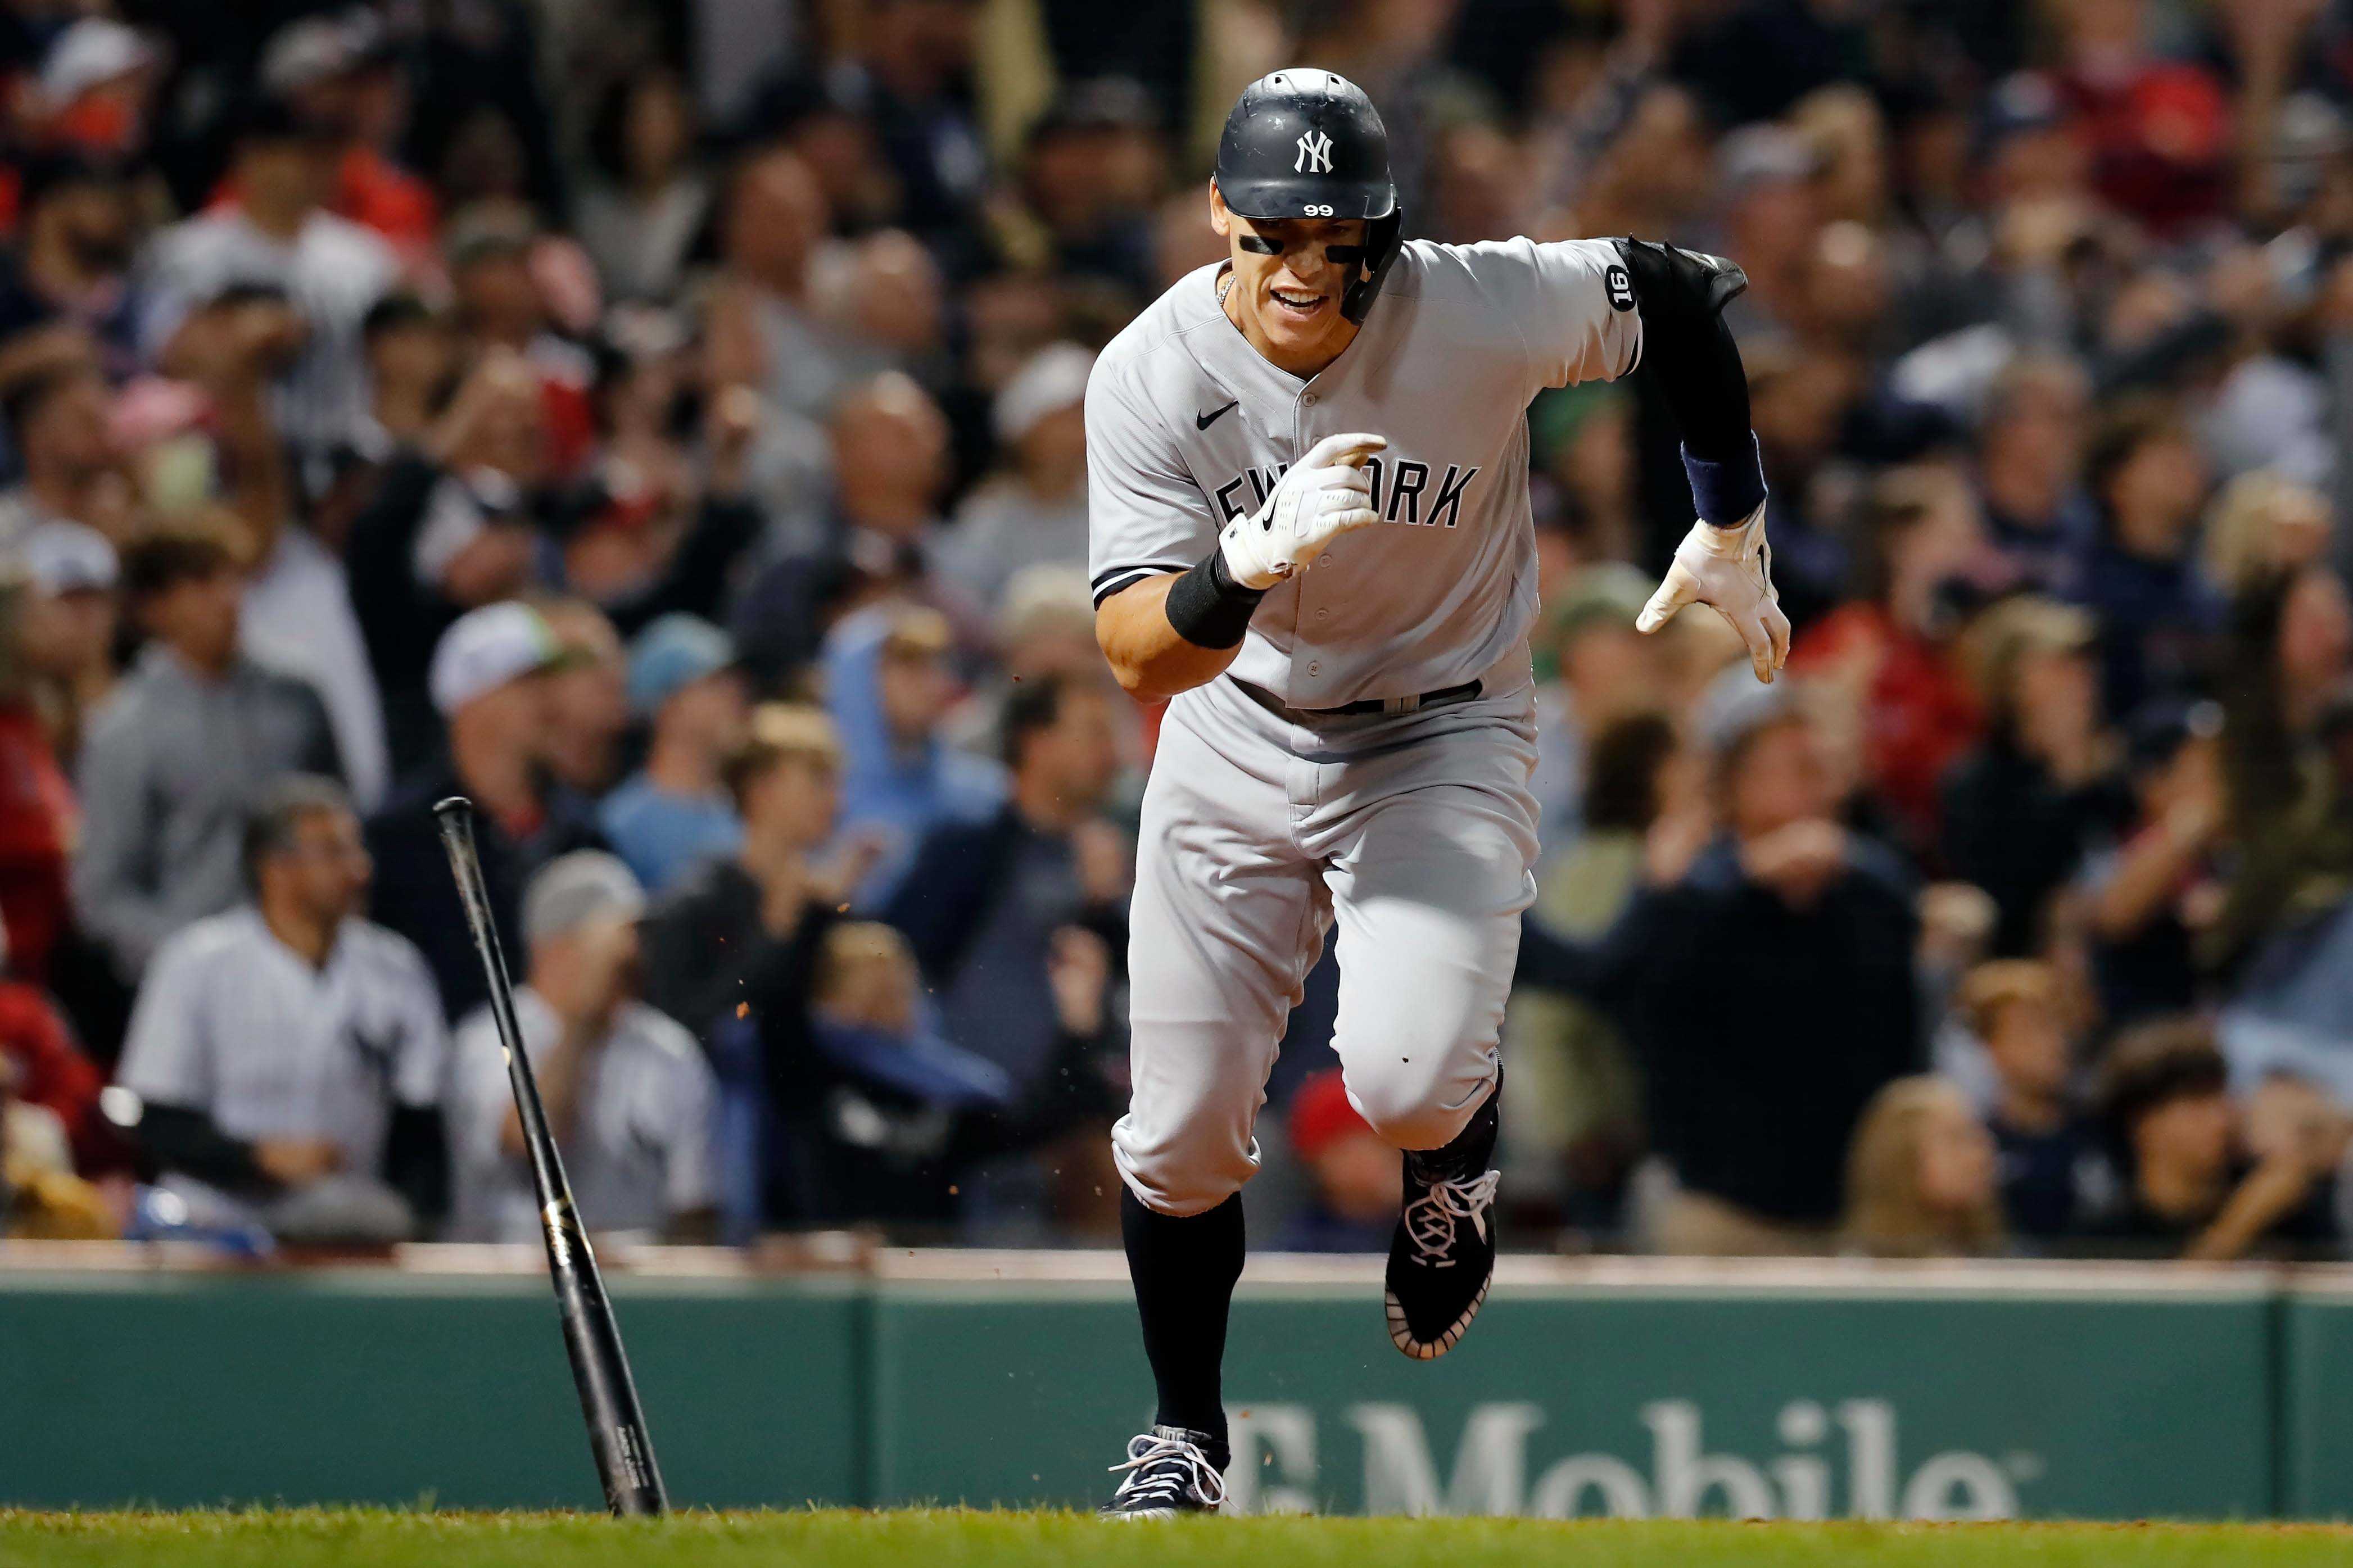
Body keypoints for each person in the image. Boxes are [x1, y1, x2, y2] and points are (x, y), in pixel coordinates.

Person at [1083, 71, 1787, 1514]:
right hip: (1236, 725)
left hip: (1442, 729)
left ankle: (1452, 1156)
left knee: (1404, 1080)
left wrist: (1729, 516)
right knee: (1178, 1129)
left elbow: (1683, 288)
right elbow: (1133, 649)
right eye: (1277, 230)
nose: (1307, 264)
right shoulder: (1150, 371)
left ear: (1383, 234)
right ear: (1222, 214)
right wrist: (1243, 564)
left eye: (1343, 235)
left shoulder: (1470, 303)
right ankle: (1184, 1433)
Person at [1521, 682, 1921, 1256]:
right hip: (1716, 1207)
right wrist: (1732, 882)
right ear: (1736, 786)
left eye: (1825, 770)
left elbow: (1900, 1034)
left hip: (1847, 1213)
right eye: (1798, 769)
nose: (1818, 790)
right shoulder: (1691, 890)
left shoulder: (1871, 888)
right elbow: (1620, 989)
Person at [114, 777, 449, 1243]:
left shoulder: (396, 968)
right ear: (277, 868)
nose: (359, 870)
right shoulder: (197, 961)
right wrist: (259, 1158)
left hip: (345, 1222)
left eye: (356, 850)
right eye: (333, 852)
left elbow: (421, 1116)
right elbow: (158, 1117)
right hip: (213, 1222)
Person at [72, 523, 341, 984]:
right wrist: (183, 962)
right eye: (201, 584)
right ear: (155, 610)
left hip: (320, 955)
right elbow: (104, 893)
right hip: (197, 974)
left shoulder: (297, 694)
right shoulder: (122, 728)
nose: (227, 597)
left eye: (232, 578)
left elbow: (342, 816)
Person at [449, 851, 717, 1244]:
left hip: (638, 1284)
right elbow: (526, 1145)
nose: (635, 954)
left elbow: (695, 1207)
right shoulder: (489, 1037)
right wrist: (579, 1025)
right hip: (511, 1282)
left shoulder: (671, 1051)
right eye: (621, 937)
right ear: (557, 947)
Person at [365, 602, 608, 1023]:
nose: (553, 703)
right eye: (529, 684)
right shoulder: (396, 840)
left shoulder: (583, 832)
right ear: (471, 701)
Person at [2093, 1019, 2339, 1260]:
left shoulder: (2289, 1214)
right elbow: (2165, 1296)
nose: (2222, 1119)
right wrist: (2237, 1228)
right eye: (2198, 1104)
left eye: (2221, 1098)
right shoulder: (2109, 1235)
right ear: (2143, 1123)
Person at [1953, 960, 2112, 1243]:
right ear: (1990, 1048)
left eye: (2059, 1027)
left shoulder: (2105, 1129)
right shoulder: (1976, 1145)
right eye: (2031, 1030)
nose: (2053, 1044)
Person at [600, 615, 752, 893]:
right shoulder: (622, 825)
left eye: (733, 683)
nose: (734, 696)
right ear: (667, 707)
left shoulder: (749, 807)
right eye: (713, 684)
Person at [1840, 1076, 2004, 1258]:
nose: (1981, 1156)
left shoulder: (2003, 1261)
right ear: (1902, 1160)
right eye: (1957, 1139)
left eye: (1978, 1137)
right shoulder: (1857, 1274)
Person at [1276, 1067, 1401, 1253]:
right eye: (1346, 1149)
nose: (1366, 1161)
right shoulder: (1301, 1245)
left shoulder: (1431, 1227)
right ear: (1317, 1160)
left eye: (1378, 1146)